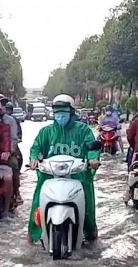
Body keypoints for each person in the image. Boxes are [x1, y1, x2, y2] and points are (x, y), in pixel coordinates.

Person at [28, 94, 101, 243]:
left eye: (64, 112)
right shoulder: (46, 132)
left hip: (77, 176)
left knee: (87, 203)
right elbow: (36, 147)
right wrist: (34, 158)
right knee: (37, 202)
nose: (60, 115)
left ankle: (90, 232)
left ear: (72, 112)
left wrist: (93, 158)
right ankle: (32, 235)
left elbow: (91, 146)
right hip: (50, 176)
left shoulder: (83, 130)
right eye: (57, 112)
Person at [0, 93, 22, 206]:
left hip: (8, 153)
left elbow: (13, 139)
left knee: (14, 166)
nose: (3, 107)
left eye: (4, 104)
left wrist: (8, 151)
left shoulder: (10, 120)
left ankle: (16, 193)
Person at [4, 101, 24, 204]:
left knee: (14, 164)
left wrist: (10, 149)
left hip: (9, 149)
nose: (6, 110)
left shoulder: (13, 121)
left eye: (8, 109)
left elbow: (16, 136)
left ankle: (17, 192)